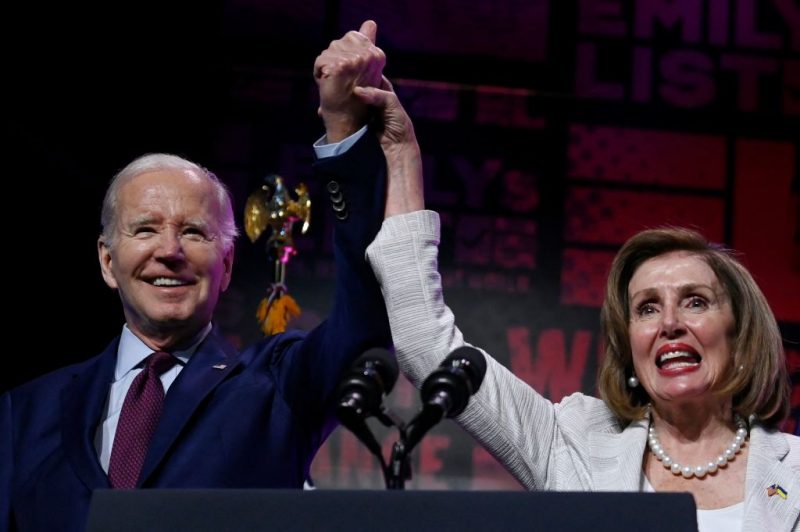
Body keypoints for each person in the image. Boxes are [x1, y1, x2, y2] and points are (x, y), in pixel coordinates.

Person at [340, 30, 800, 532]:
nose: (669, 323)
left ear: (739, 333)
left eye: (694, 302)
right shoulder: (572, 442)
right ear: (630, 345)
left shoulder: (794, 471)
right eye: (646, 308)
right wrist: (400, 149)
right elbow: (426, 346)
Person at [0, 21, 392, 532]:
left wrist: (345, 133)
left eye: (194, 233)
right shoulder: (25, 411)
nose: (169, 252)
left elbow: (365, 321)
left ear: (227, 265)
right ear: (106, 261)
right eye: (145, 230)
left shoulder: (276, 389)